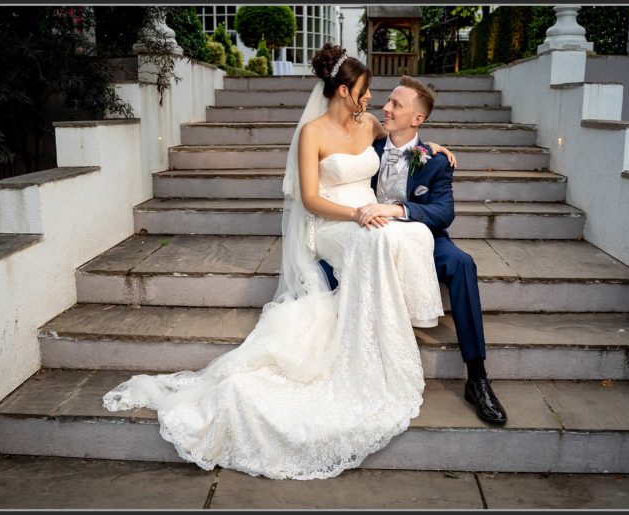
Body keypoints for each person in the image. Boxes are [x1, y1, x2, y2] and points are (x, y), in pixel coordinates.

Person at [102, 44, 451, 480]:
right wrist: (357, 214)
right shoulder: (313, 133)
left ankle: (401, 321)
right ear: (344, 90)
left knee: (405, 232)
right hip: (332, 224)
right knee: (374, 242)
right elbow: (310, 198)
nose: (371, 98)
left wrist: (430, 146)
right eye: (364, 90)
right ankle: (372, 347)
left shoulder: (369, 124)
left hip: (368, 217)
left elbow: (402, 141)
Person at [320, 76, 508, 425]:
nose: (386, 108)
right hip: (370, 239)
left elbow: (443, 212)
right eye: (388, 101)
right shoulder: (367, 149)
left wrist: (397, 210)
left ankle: (478, 377)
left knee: (462, 264)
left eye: (396, 105)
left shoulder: (435, 160)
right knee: (327, 263)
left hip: (423, 239)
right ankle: (337, 355)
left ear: (417, 119)